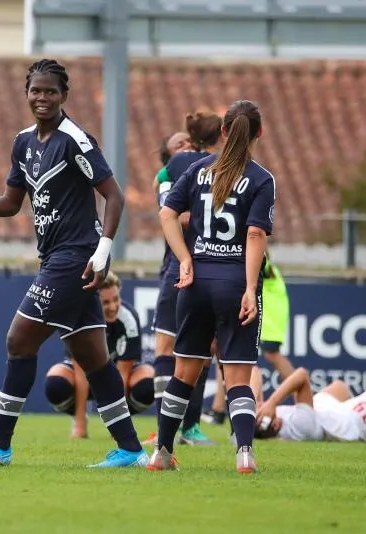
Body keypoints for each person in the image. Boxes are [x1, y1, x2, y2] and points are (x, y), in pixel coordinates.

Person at [0, 59, 147, 468]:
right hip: (56, 256)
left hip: (76, 257)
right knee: (93, 357)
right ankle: (130, 449)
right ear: (26, 93)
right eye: (36, 90)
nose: (42, 97)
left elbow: (114, 195)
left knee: (19, 341)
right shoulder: (23, 142)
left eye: (50, 91)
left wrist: (102, 251)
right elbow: (13, 201)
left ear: (64, 96)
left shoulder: (76, 140)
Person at [148, 100, 275, 474]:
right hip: (234, 282)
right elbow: (255, 234)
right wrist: (250, 288)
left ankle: (162, 453)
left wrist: (185, 259)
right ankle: (245, 454)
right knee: (237, 376)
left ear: (223, 131)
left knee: (183, 373)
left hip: (196, 281)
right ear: (259, 133)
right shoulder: (262, 179)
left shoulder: (198, 170)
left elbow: (167, 214)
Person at [150, 111, 224, 447]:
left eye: (185, 141)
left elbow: (167, 203)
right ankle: (167, 428)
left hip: (195, 266)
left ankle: (187, 427)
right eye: (176, 144)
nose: (183, 147)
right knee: (174, 348)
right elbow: (169, 210)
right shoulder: (183, 166)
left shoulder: (185, 166)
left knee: (198, 349)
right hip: (183, 266)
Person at [44, 271, 154, 438]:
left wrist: (119, 426)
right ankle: (78, 418)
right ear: (94, 301)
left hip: (116, 377)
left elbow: (123, 374)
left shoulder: (129, 318)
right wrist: (80, 425)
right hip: (87, 376)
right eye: (105, 302)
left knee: (148, 383)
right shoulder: (80, 318)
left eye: (116, 299)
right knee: (55, 383)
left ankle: (124, 421)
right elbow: (80, 372)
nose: (113, 307)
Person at [203, 251, 294, 426]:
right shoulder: (264, 264)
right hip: (263, 314)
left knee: (268, 355)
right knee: (225, 354)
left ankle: (305, 397)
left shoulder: (260, 260)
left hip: (269, 317)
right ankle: (218, 409)